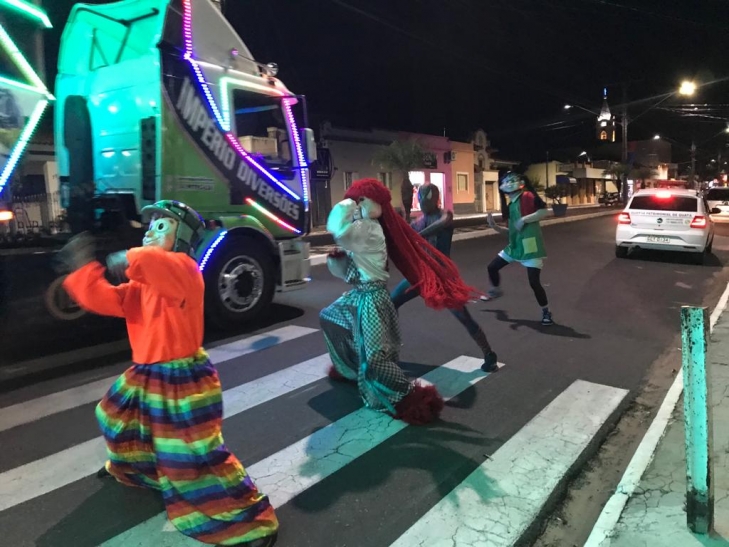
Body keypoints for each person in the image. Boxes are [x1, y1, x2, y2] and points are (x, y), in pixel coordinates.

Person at [58, 200, 278, 547]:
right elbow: (106, 299)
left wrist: (128, 257)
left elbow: (155, 263)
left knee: (191, 455)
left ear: (183, 238)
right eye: (149, 225)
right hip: (146, 374)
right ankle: (139, 469)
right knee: (115, 416)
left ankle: (247, 519)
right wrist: (85, 270)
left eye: (162, 226)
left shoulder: (185, 269)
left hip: (181, 378)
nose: (150, 230)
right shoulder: (143, 285)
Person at [320, 178, 481, 424]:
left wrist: (346, 204)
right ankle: (355, 365)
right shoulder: (369, 225)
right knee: (331, 317)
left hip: (400, 287)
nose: (356, 203)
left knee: (459, 315)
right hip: (370, 292)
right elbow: (350, 263)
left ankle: (409, 396)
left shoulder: (371, 228)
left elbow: (338, 228)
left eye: (361, 199)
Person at [391, 183, 498, 372]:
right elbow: (405, 235)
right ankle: (391, 350)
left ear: (434, 198)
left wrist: (417, 235)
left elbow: (440, 224)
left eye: (425, 199)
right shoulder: (420, 221)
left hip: (441, 276)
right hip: (421, 274)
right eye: (420, 199)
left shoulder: (445, 216)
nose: (422, 203)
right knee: (391, 303)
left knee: (463, 316)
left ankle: (489, 354)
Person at [481, 172, 554, 326]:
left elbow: (545, 211)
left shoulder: (526, 197)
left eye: (511, 180)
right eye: (505, 181)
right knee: (492, 267)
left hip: (530, 247)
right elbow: (511, 232)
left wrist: (524, 219)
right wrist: (494, 226)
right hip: (514, 247)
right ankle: (496, 290)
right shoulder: (511, 204)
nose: (508, 183)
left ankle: (546, 311)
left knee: (534, 283)